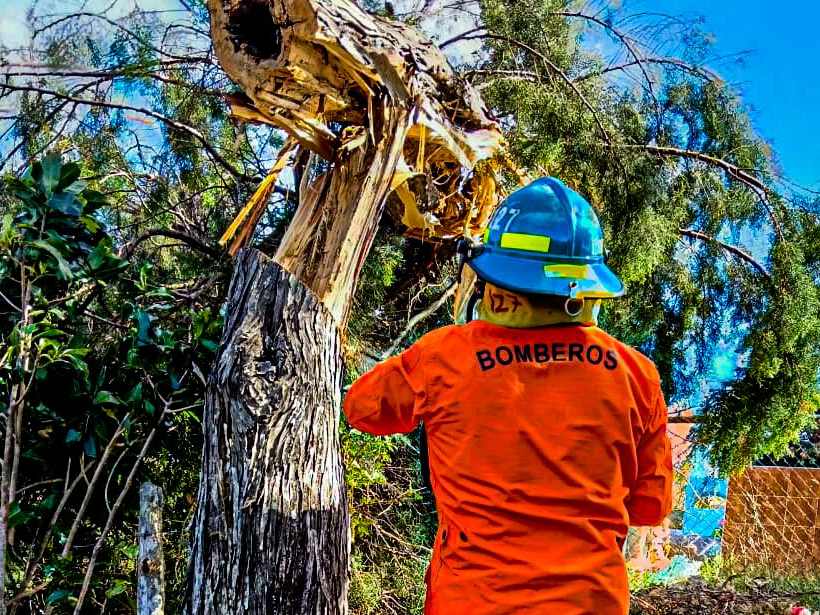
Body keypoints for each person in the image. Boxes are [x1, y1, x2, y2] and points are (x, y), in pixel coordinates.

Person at [343, 177, 673, 614]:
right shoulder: (637, 375)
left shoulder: (444, 357)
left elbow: (362, 409)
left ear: (498, 286)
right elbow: (650, 506)